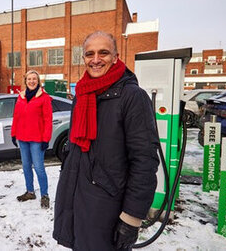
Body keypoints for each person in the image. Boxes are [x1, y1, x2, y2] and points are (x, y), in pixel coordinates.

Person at [53, 31, 160, 250]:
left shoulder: (132, 97)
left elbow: (145, 161)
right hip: (78, 197)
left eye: (103, 53)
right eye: (89, 54)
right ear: (83, 58)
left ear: (116, 57)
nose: (95, 60)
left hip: (109, 206)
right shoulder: (83, 94)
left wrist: (131, 218)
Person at [11, 70, 53, 209]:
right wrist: (13, 133)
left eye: (34, 79)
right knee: (26, 166)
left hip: (37, 139)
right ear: (26, 81)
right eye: (29, 79)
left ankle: (44, 195)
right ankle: (30, 192)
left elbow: (48, 120)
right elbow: (16, 116)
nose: (32, 81)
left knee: (39, 168)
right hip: (22, 138)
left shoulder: (44, 97)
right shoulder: (21, 97)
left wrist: (46, 139)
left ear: (38, 81)